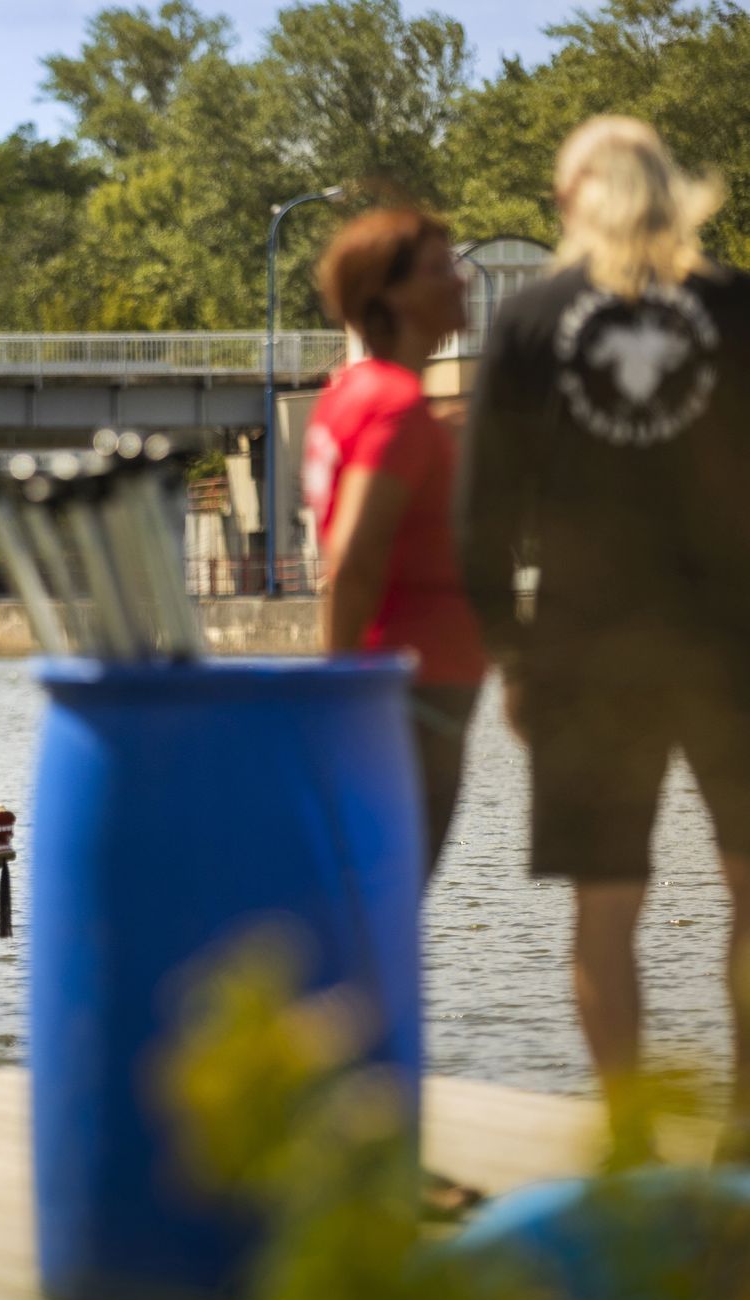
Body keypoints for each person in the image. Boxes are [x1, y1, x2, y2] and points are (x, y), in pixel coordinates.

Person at [460, 116, 750, 1162]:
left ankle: (629, 1145)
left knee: (607, 904)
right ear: (672, 189)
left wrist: (514, 657)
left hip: (587, 650)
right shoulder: (738, 307)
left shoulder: (534, 318)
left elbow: (484, 511)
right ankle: (743, 1134)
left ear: (575, 198)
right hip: (733, 642)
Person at [304, 208, 487, 879]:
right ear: (388, 295)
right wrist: (342, 698)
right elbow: (351, 559)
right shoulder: (394, 407)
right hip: (411, 699)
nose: (462, 280)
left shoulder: (351, 393)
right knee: (378, 916)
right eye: (440, 268)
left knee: (367, 905)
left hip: (401, 696)